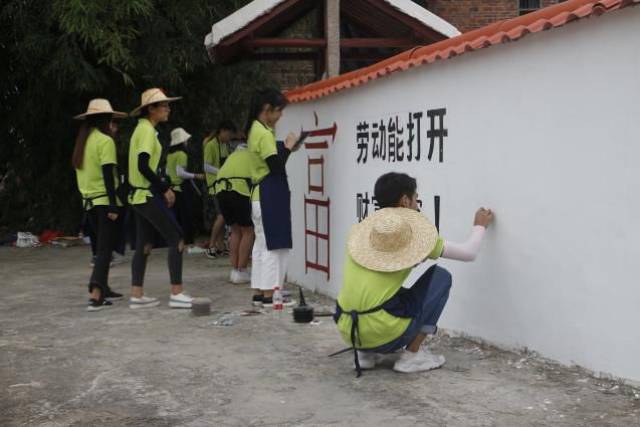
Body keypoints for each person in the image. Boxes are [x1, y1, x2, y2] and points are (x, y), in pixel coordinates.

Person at [334, 172, 494, 375]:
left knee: (377, 291)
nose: (418, 203)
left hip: (349, 329)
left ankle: (365, 354)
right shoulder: (413, 236)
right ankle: (411, 356)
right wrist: (480, 225)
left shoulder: (359, 232)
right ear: (405, 200)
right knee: (441, 277)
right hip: (385, 333)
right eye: (416, 198)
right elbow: (469, 253)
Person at [127, 88, 192, 309]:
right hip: (146, 194)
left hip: (138, 196)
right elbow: (143, 166)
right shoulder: (145, 131)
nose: (168, 109)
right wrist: (165, 188)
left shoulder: (142, 129)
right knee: (177, 238)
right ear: (151, 109)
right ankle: (177, 292)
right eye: (164, 105)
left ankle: (137, 294)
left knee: (144, 244)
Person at [245, 88, 300, 307]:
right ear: (267, 110)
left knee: (261, 244)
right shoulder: (264, 133)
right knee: (273, 246)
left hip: (259, 194)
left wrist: (285, 149)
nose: (281, 116)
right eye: (279, 111)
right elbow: (275, 166)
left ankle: (261, 291)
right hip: (269, 194)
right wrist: (286, 148)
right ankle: (271, 294)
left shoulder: (254, 129)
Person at [72, 99, 126, 311]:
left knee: (100, 248)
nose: (114, 124)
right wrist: (113, 206)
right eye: (112, 120)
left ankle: (103, 287)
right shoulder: (105, 142)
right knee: (105, 250)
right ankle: (96, 296)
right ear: (105, 120)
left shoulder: (82, 142)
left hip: (89, 203)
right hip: (104, 203)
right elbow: (107, 176)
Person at [214, 140, 256, 284]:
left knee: (235, 230)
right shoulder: (252, 155)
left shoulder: (232, 156)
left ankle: (235, 271)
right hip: (238, 190)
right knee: (248, 230)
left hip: (221, 191)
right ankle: (242, 270)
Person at [166, 127, 206, 246]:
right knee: (187, 215)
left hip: (173, 188)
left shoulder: (169, 155)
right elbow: (180, 173)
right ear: (182, 141)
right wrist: (196, 176)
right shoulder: (182, 154)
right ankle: (188, 240)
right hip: (182, 188)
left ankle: (177, 239)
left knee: (177, 216)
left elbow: (168, 172)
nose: (187, 142)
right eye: (185, 140)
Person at [203, 121, 236, 258]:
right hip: (214, 186)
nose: (230, 137)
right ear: (222, 131)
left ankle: (221, 247)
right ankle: (211, 246)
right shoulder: (210, 145)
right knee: (222, 216)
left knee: (224, 217)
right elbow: (206, 167)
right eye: (229, 134)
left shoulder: (226, 145)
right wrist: (223, 171)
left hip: (225, 185)